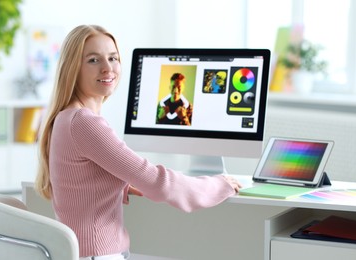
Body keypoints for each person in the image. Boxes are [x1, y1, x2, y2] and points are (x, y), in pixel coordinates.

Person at [35, 24, 242, 260]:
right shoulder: (83, 122)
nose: (107, 68)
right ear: (73, 68)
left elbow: (82, 183)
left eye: (113, 58)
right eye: (93, 60)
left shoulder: (66, 118)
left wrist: (120, 182)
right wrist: (220, 184)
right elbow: (157, 182)